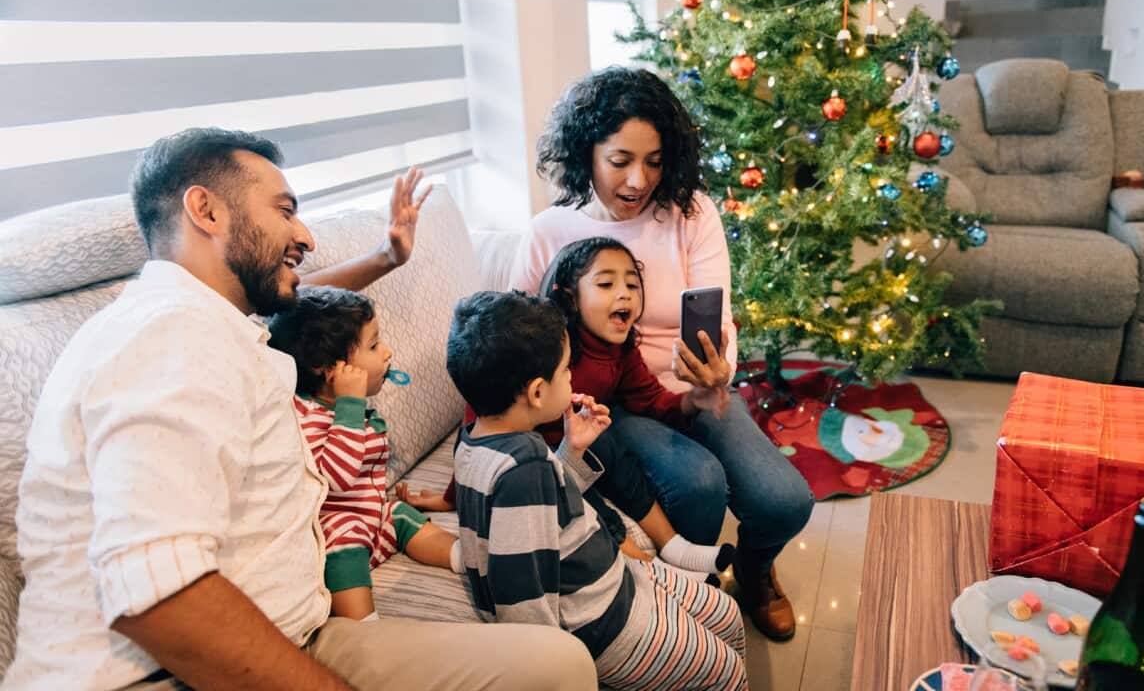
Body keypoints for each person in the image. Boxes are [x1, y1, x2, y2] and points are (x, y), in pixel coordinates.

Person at [5, 127, 595, 690]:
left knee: (557, 666)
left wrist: (387, 258)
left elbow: (305, 302)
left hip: (299, 633)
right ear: (206, 211)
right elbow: (156, 595)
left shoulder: (211, 324)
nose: (306, 235)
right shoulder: (168, 338)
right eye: (284, 211)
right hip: (162, 675)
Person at [509, 66, 815, 640]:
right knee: (697, 480)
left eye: (653, 161)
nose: (638, 180)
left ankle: (754, 567)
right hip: (608, 399)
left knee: (786, 499)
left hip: (694, 390)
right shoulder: (550, 230)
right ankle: (689, 598)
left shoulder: (691, 214)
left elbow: (717, 318)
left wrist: (713, 375)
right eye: (620, 160)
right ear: (586, 152)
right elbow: (517, 339)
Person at [445, 290, 748, 691]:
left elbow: (541, 514)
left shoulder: (475, 441)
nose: (572, 378)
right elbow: (522, 604)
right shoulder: (524, 467)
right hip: (606, 622)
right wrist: (560, 670)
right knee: (727, 672)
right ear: (537, 392)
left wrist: (571, 450)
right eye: (567, 369)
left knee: (725, 611)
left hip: (616, 575)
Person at [536, 236, 734, 577]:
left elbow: (651, 399)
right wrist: (456, 490)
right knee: (581, 504)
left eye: (632, 283)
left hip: (582, 444)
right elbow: (490, 406)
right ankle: (655, 571)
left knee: (608, 443)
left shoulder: (621, 350)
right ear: (570, 297)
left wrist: (693, 400)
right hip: (541, 457)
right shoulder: (549, 346)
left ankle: (673, 546)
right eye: (606, 283)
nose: (625, 293)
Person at [267, 286, 464, 623]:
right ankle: (363, 626)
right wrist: (350, 406)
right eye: (373, 345)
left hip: (372, 518)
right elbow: (338, 481)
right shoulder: (307, 416)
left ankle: (468, 559)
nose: (387, 353)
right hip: (335, 525)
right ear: (327, 368)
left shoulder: (347, 409)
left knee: (401, 514)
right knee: (341, 538)